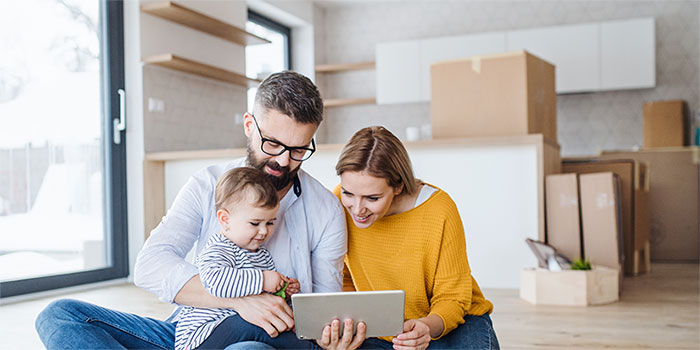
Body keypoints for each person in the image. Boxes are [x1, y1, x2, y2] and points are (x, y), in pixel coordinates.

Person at [35, 71, 347, 350]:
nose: (282, 160)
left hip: (268, 339)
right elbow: (150, 266)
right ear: (250, 126)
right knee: (60, 316)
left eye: (298, 149)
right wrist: (240, 303)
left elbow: (324, 307)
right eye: (272, 144)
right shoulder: (206, 184)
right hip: (188, 333)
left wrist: (333, 334)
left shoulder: (325, 210)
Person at [320, 126, 499, 350]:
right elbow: (344, 278)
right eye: (348, 193)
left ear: (398, 186)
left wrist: (427, 326)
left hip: (449, 323)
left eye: (372, 198)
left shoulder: (439, 209)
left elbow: (453, 297)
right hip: (383, 328)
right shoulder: (337, 202)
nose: (357, 209)